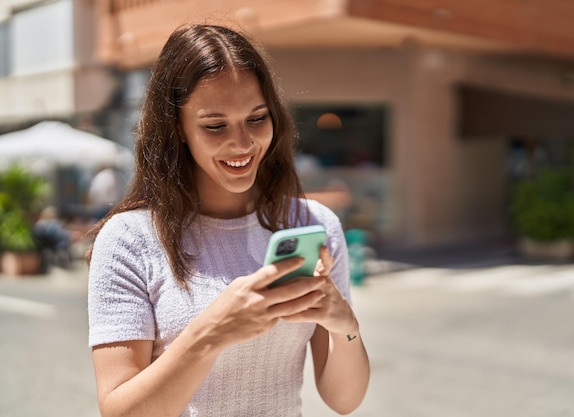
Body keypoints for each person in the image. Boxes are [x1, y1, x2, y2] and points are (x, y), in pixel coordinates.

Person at [85, 23, 370, 417]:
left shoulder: (313, 224)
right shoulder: (129, 239)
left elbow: (345, 400)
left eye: (257, 118)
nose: (242, 143)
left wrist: (345, 327)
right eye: (215, 126)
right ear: (178, 129)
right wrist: (209, 334)